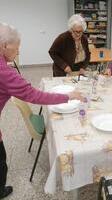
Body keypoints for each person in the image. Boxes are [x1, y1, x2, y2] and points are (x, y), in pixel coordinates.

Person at [0, 23, 84, 198]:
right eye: (17, 48)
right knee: (1, 163)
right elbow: (34, 96)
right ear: (4, 46)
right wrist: (68, 96)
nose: (18, 52)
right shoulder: (5, 73)